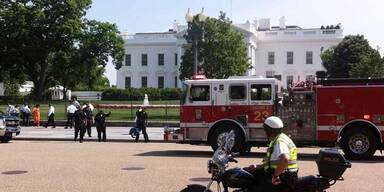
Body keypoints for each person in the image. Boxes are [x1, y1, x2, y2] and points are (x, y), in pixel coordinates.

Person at [245, 116, 298, 192]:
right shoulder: (279, 138)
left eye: (265, 130)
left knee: (256, 188)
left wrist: (275, 176)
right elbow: (273, 162)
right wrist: (257, 167)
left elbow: (285, 159)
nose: (265, 132)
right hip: (285, 173)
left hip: (284, 176)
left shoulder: (279, 142)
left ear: (269, 131)